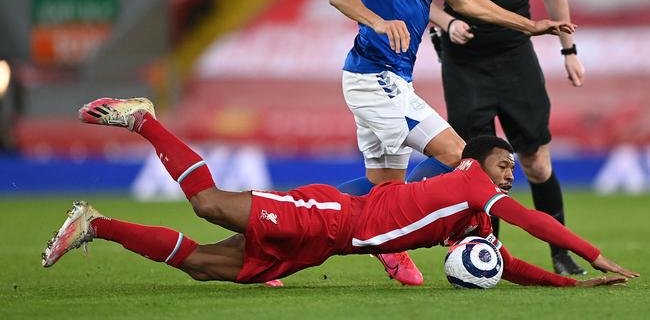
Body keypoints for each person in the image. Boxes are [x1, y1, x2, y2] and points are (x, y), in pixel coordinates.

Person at [42, 97, 638, 289]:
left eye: (510, 167)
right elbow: (532, 224)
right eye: (505, 163)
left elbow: (505, 263)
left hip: (328, 246)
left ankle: (96, 225)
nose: (510, 172)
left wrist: (569, 284)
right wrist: (591, 252)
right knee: (207, 203)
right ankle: (145, 120)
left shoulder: (474, 220)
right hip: (330, 215)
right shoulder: (475, 183)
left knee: (203, 267)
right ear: (482, 162)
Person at [328, 0, 575, 284]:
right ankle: (468, 236)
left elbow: (463, 0)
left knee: (381, 187)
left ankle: (281, 221)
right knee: (463, 159)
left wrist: (527, 25)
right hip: (374, 77)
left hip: (391, 79)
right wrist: (376, 21)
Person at [422, 0, 586, 275]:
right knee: (476, 168)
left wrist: (569, 50)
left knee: (535, 162)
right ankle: (486, 255)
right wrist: (445, 22)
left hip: (515, 59)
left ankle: (561, 254)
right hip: (464, 64)